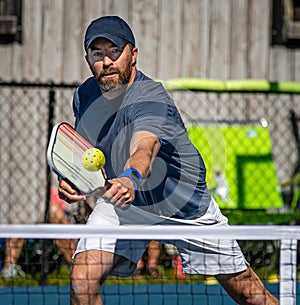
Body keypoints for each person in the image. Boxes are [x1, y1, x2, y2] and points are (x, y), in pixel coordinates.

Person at [58, 16, 279, 305]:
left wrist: (131, 177)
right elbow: (86, 149)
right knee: (81, 282)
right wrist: (73, 179)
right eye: (97, 53)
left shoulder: (151, 97)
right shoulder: (85, 95)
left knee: (248, 294)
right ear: (87, 58)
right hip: (126, 205)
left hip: (184, 205)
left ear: (133, 55)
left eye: (114, 51)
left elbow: (145, 146)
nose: (107, 61)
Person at [1, 187, 76, 280]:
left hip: (51, 218)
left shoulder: (51, 189)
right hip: (28, 216)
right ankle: (9, 268)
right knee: (20, 221)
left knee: (55, 213)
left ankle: (75, 265)